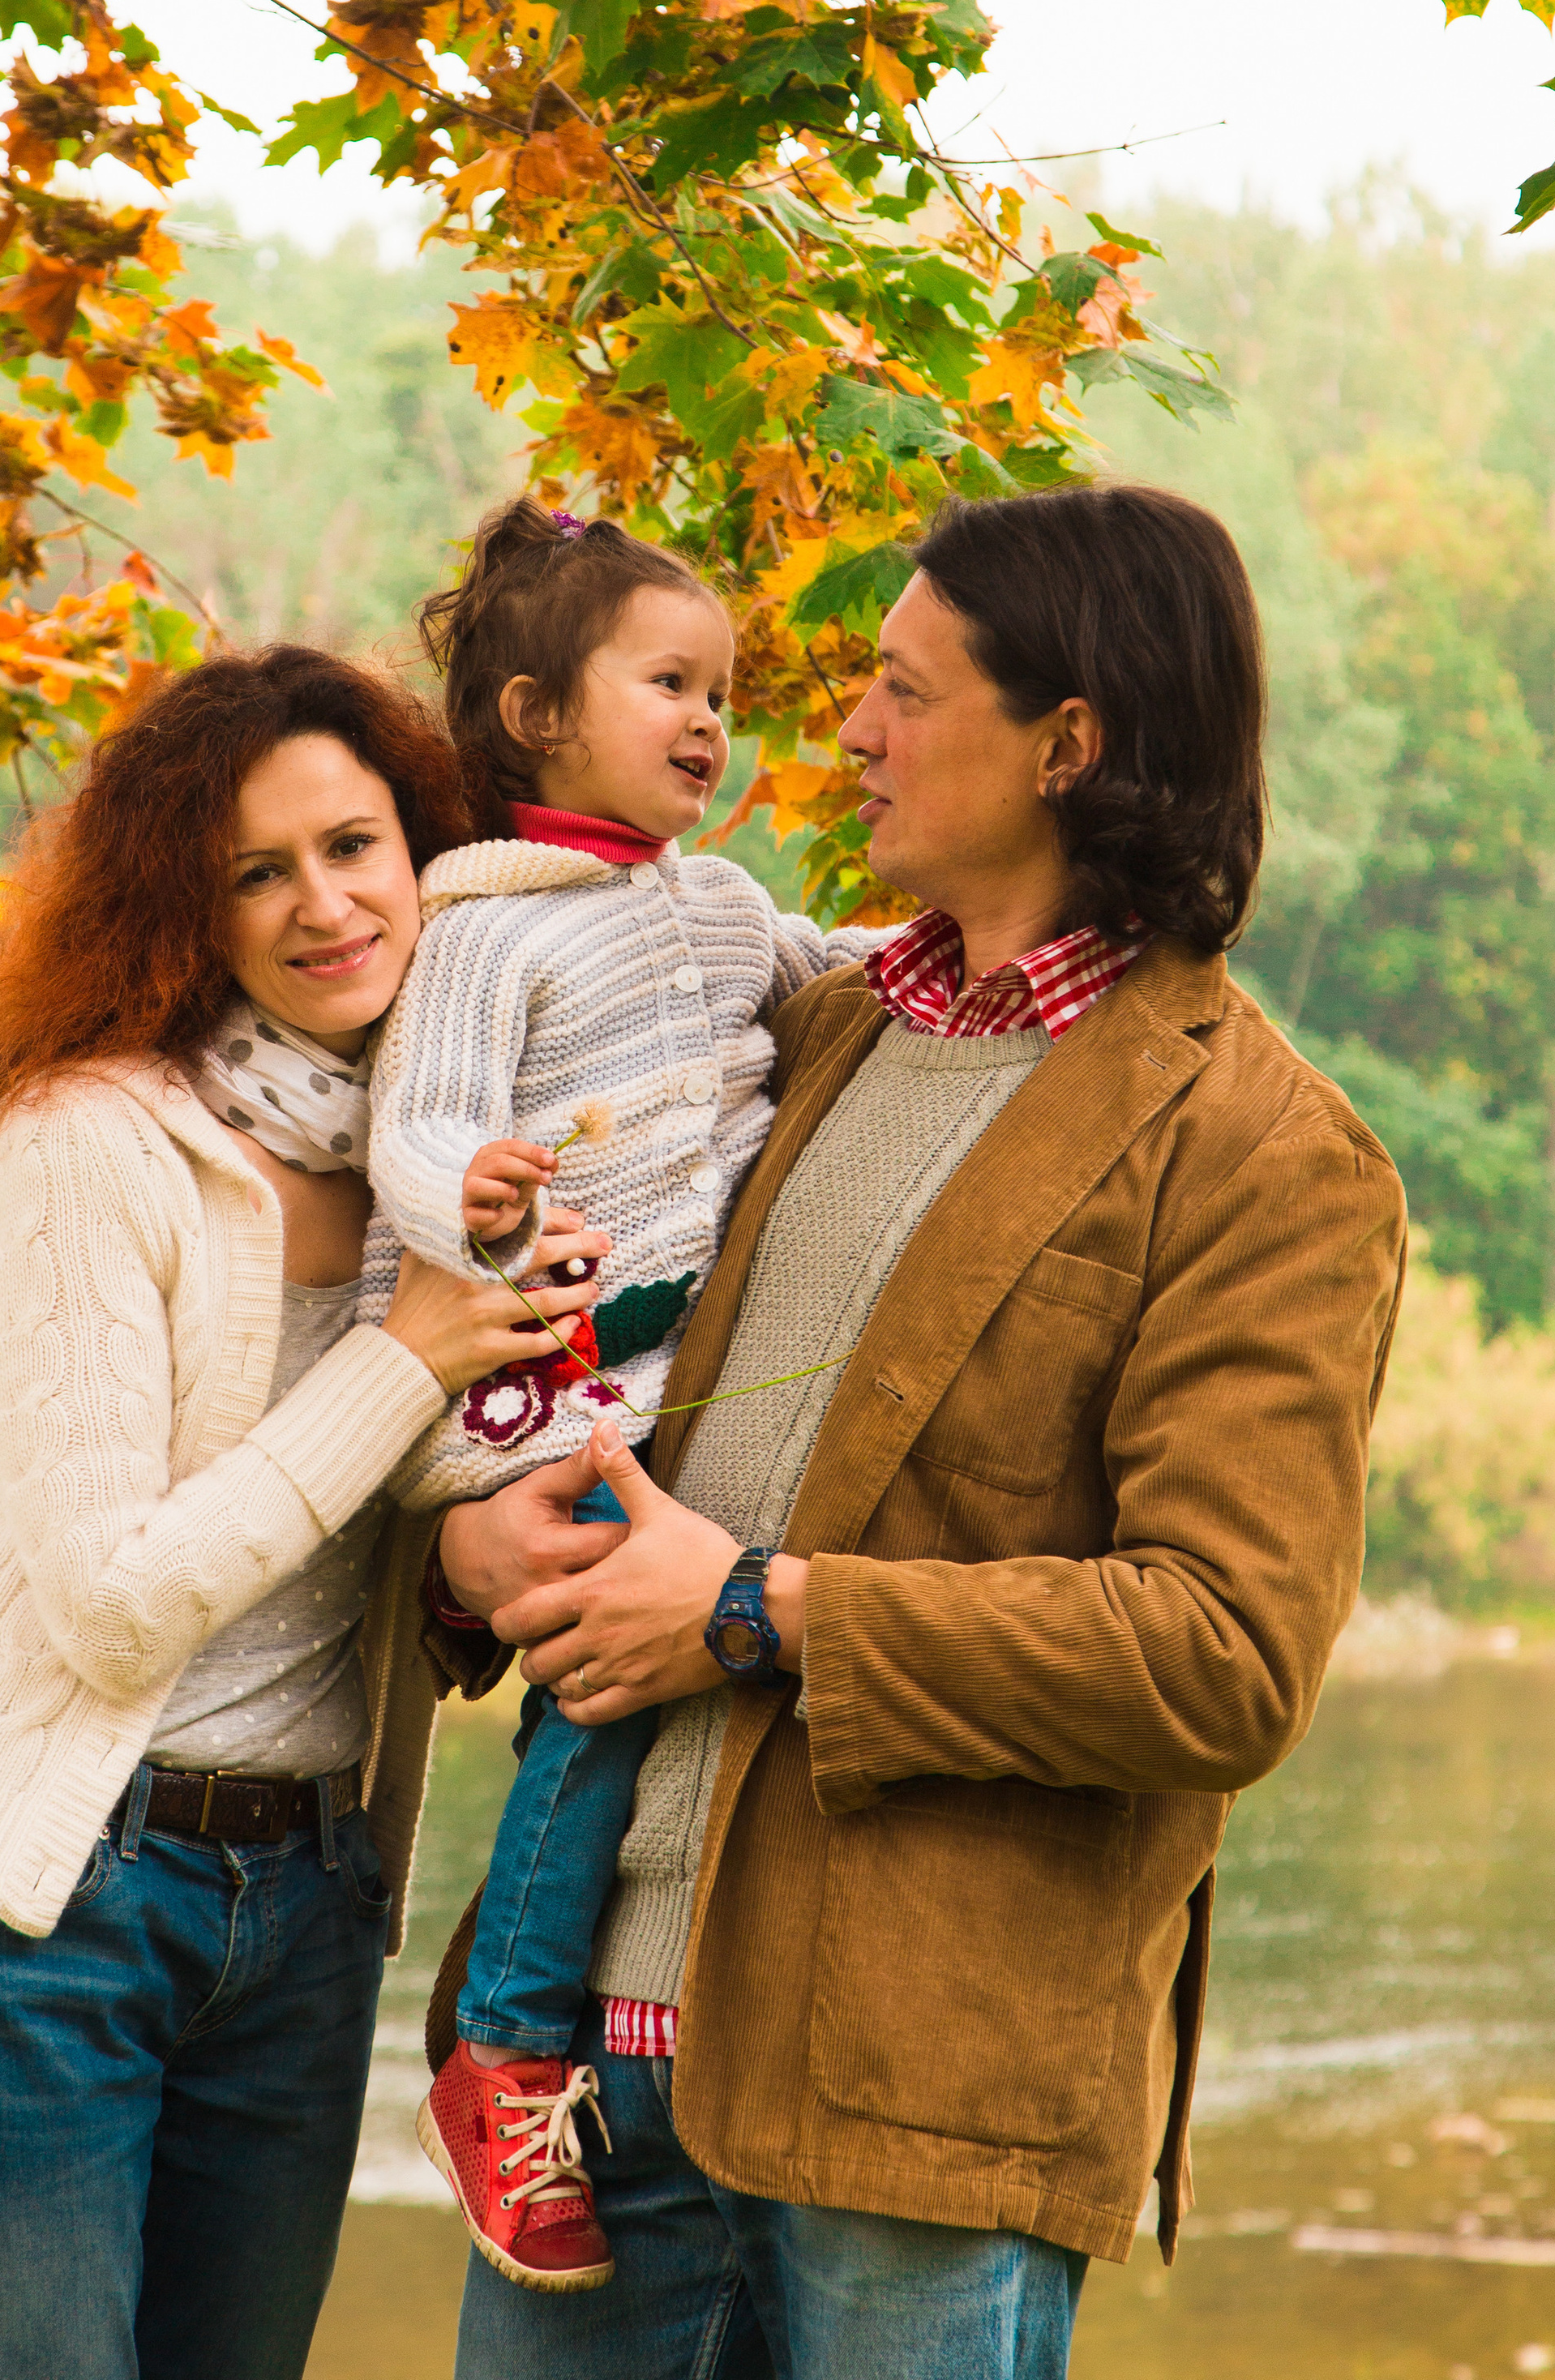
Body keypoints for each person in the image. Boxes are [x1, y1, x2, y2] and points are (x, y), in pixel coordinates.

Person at [426, 482, 1409, 2380]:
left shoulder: (1269, 1159)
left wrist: (757, 1611)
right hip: (578, 2106)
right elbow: (577, 1363)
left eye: (901, 687)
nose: (849, 731)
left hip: (917, 2126)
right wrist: (462, 1557)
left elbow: (1222, 1654)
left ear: (1068, 740)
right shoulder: (810, 1030)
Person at [0, 647, 609, 2380]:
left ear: (425, 857)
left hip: (307, 1900)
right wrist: (404, 1361)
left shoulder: (445, 1170)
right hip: (39, 1920)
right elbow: (112, 1601)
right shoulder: (91, 1141)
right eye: (257, 872)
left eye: (353, 846)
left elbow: (390, 1516)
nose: (324, 905)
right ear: (186, 906)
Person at [358, 497, 877, 2291]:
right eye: (667, 681)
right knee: (591, 1697)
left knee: (634, 1679)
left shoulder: (720, 904)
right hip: (550, 1369)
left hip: (679, 1377)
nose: (708, 719)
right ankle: (502, 2044)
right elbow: (414, 1129)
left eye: (721, 689)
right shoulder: (482, 934)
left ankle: (552, 2029)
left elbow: (842, 984)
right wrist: (472, 1195)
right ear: (532, 715)